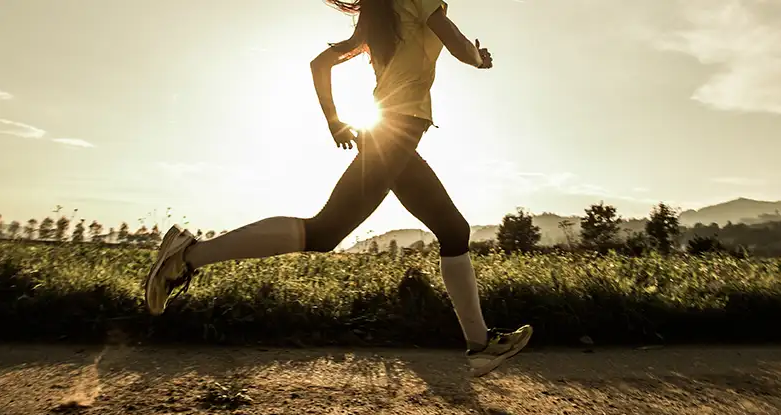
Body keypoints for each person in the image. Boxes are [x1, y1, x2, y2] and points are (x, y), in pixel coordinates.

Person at [144, 0, 532, 376]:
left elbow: (321, 63)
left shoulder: (382, 10)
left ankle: (480, 346)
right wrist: (480, 58)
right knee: (325, 231)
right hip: (394, 136)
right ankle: (188, 255)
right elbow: (458, 44)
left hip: (392, 135)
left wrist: (334, 121)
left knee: (453, 231)